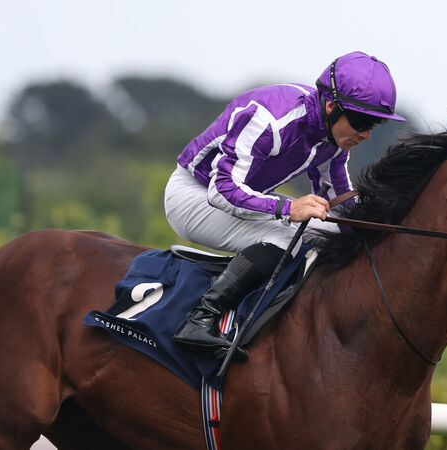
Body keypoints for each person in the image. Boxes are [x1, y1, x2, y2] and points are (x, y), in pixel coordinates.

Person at [164, 51, 405, 352]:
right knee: (285, 236)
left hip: (243, 195)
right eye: (361, 121)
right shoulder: (270, 120)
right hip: (194, 195)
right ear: (331, 106)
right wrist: (288, 209)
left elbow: (340, 198)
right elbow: (222, 189)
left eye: (375, 124)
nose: (366, 134)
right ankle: (201, 318)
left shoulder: (332, 137)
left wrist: (381, 233)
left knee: (331, 232)